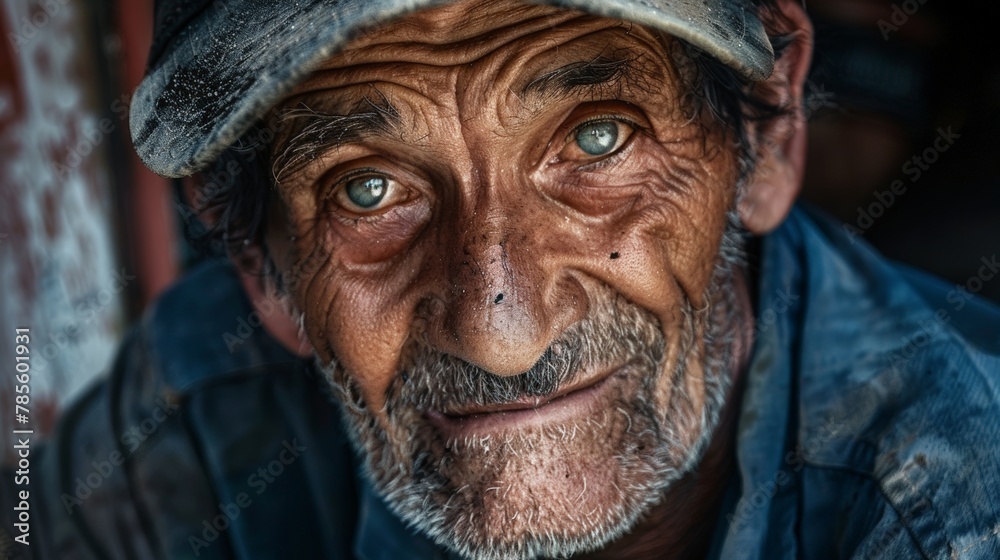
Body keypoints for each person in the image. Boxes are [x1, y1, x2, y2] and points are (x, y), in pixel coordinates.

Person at [30, 0, 1000, 558]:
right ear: (260, 262)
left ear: (766, 132)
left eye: (596, 137)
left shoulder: (959, 513)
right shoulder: (202, 399)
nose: (504, 333)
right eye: (368, 188)